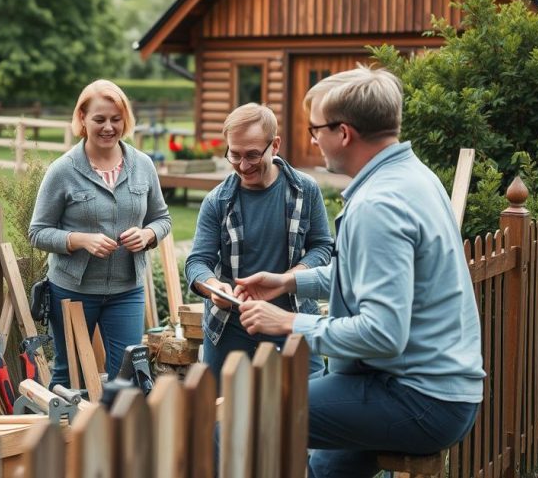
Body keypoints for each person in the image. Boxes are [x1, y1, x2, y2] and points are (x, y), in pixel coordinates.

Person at [234, 66, 484, 478]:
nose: (313, 140)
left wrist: (289, 322)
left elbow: (383, 335)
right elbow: (366, 274)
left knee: (250, 416)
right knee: (326, 469)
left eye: (316, 129)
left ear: (343, 133)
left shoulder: (378, 206)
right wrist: (290, 280)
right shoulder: (413, 178)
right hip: (432, 390)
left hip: (418, 398)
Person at [29, 79, 172, 388]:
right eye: (100, 119)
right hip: (72, 292)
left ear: (125, 120)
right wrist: (80, 240)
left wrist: (148, 235)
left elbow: (162, 219)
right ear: (82, 119)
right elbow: (38, 232)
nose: (108, 127)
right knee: (69, 375)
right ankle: (64, 435)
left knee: (130, 375)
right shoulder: (63, 170)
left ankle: (116, 436)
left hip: (127, 291)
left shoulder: (143, 165)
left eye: (116, 119)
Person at [184, 103, 332, 380]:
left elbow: (322, 246)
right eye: (234, 155)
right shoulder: (217, 200)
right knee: (224, 415)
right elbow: (198, 262)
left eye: (252, 155)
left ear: (274, 145)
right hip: (230, 326)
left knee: (305, 409)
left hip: (292, 320)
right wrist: (214, 288)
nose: (243, 165)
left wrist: (288, 279)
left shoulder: (305, 190)